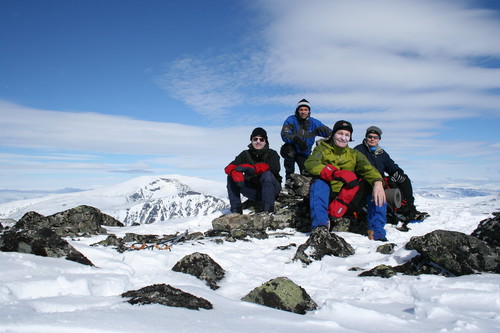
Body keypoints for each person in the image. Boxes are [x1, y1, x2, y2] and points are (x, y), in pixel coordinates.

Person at [305, 120, 388, 241]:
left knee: (376, 189)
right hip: (329, 195)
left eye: (347, 135)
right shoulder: (322, 149)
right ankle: (321, 226)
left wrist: (378, 182)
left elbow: (368, 169)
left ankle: (377, 231)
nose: (343, 138)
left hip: (349, 196)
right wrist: (335, 173)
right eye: (340, 133)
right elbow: (311, 163)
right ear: (333, 134)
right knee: (319, 183)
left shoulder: (354, 154)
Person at [354, 126, 418, 224]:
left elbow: (391, 166)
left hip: (381, 180)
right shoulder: (359, 150)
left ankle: (410, 209)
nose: (372, 139)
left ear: (379, 139)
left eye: (375, 137)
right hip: (366, 180)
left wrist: (399, 173)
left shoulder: (382, 153)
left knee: (404, 180)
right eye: (370, 136)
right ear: (366, 137)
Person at [224, 127, 282, 214]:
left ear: (265, 141)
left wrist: (254, 168)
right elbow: (230, 167)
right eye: (255, 139)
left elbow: (275, 168)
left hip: (272, 191)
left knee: (267, 174)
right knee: (231, 177)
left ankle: (268, 211)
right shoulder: (245, 154)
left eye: (261, 139)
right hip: (254, 192)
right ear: (251, 140)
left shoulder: (272, 153)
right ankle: (236, 211)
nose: (258, 141)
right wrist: (234, 172)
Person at [280, 99, 332, 181]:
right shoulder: (291, 120)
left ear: (309, 111)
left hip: (304, 154)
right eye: (301, 109)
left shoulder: (314, 123)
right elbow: (284, 134)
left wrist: (339, 135)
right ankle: (289, 178)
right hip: (291, 150)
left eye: (305, 109)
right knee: (289, 151)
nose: (303, 112)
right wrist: (296, 139)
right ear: (297, 111)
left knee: (307, 175)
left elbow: (329, 132)